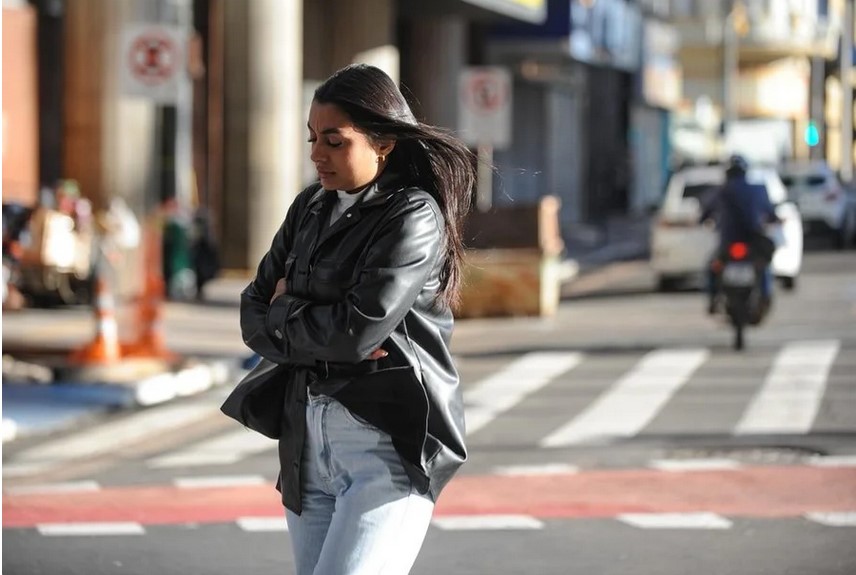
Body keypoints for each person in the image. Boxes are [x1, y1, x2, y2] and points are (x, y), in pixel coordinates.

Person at [239, 63, 475, 574]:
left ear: (383, 142)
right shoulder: (308, 208)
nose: (316, 154)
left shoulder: (412, 215)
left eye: (334, 141)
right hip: (305, 445)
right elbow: (251, 311)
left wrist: (284, 309)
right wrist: (301, 320)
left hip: (385, 444)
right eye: (312, 139)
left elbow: (353, 332)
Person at [700, 154, 779, 316]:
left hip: (728, 243)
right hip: (752, 240)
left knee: (712, 267)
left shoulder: (720, 191)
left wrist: (704, 221)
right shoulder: (757, 189)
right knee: (762, 265)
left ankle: (712, 299)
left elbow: (705, 213)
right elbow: (770, 212)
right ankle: (765, 295)